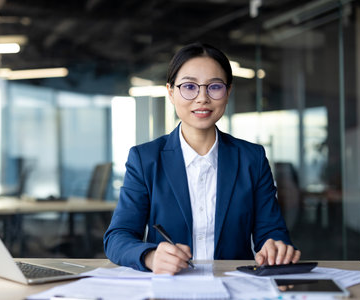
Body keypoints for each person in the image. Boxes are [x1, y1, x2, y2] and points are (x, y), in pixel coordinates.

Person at [103, 42, 301, 274]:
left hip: (236, 285)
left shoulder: (252, 159)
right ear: (171, 92)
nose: (202, 98)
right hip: (169, 287)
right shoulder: (145, 159)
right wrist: (150, 256)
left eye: (214, 87)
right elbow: (117, 237)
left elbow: (272, 232)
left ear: (228, 92)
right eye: (189, 86)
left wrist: (275, 247)